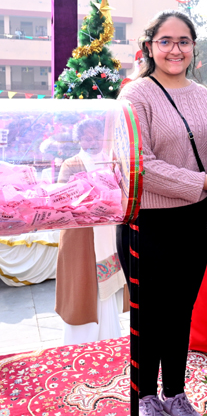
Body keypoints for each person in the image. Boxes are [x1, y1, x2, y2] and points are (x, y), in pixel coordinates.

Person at [117, 10, 207, 416]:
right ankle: (146, 397)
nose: (175, 49)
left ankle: (176, 393)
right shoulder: (135, 95)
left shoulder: (202, 95)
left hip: (193, 220)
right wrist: (202, 180)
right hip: (147, 222)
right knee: (149, 314)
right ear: (150, 46)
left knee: (181, 310)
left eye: (183, 41)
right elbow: (139, 165)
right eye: (165, 41)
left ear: (193, 47)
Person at [55, 118, 129, 345]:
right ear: (78, 140)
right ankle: (79, 343)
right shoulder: (71, 164)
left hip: (106, 235)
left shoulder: (111, 162)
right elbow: (61, 201)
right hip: (80, 238)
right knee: (81, 291)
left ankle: (107, 338)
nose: (93, 141)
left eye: (97, 137)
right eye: (87, 138)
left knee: (104, 293)